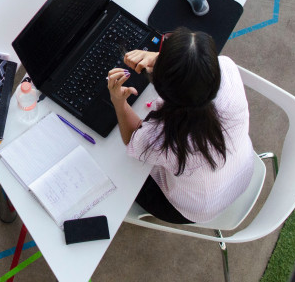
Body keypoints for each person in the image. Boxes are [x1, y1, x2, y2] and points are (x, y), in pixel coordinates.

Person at [107, 28, 254, 224]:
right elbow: (197, 71)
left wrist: (119, 102)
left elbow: (132, 138)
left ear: (160, 87)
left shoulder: (162, 139)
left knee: (121, 169)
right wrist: (165, 60)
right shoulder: (226, 68)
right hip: (241, 174)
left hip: (190, 209)